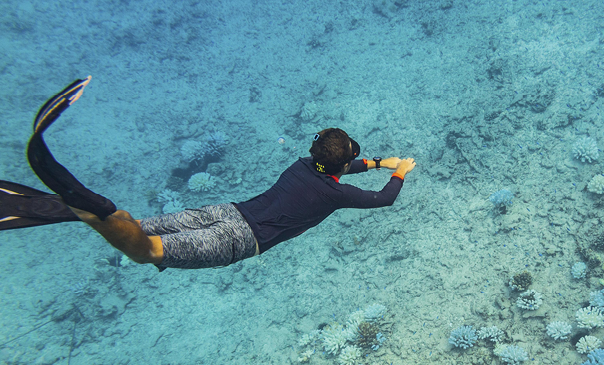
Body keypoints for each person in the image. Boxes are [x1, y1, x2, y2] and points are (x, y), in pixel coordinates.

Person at [0, 77, 416, 271]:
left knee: (139, 226)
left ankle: (58, 209)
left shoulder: (304, 165)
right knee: (144, 250)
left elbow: (343, 169)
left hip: (223, 212)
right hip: (235, 238)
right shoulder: (334, 194)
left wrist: (379, 163)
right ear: (340, 168)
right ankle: (88, 206)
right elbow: (383, 199)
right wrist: (401, 173)